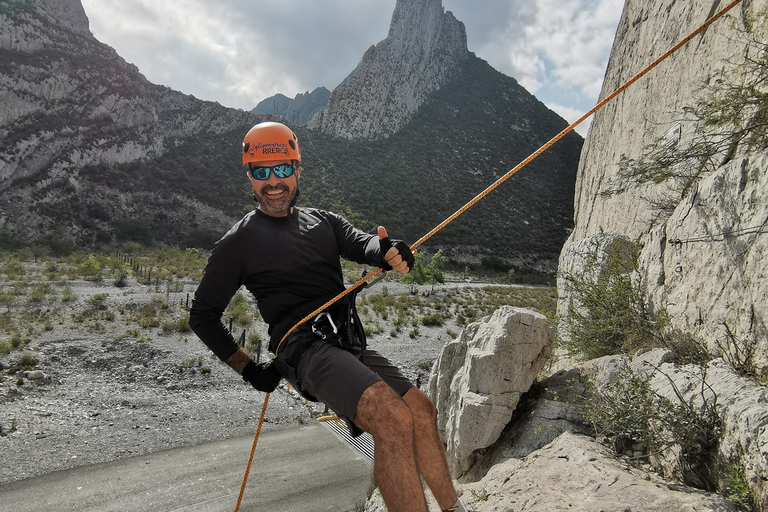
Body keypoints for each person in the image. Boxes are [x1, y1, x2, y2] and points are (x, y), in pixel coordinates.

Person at [189, 121, 470, 512]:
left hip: (344, 342)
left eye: (283, 169)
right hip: (305, 351)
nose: (273, 182)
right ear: (250, 177)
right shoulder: (237, 242)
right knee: (392, 418)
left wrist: (387, 251)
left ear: (297, 170)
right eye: (262, 172)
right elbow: (203, 315)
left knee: (419, 409)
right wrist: (250, 370)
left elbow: (362, 242)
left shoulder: (323, 221)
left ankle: (454, 508)